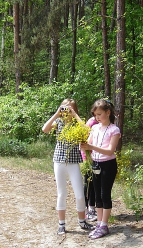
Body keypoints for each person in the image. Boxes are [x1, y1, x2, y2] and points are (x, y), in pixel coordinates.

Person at [42, 99, 94, 235]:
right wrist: (56, 114)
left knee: (80, 194)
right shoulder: (58, 122)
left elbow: (87, 131)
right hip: (59, 161)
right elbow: (45, 129)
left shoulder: (77, 124)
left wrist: (75, 115)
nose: (67, 111)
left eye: (70, 108)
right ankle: (61, 224)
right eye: (65, 108)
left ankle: (82, 221)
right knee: (61, 193)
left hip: (73, 162)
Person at [80, 99, 121, 240]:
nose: (97, 117)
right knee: (96, 195)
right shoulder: (95, 128)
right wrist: (82, 142)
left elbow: (110, 151)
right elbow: (89, 142)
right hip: (95, 164)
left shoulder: (114, 130)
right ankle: (99, 224)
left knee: (105, 195)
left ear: (108, 113)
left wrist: (91, 148)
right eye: (95, 115)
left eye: (99, 114)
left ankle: (104, 225)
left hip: (108, 165)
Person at [82, 116, 98, 222]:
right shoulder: (92, 122)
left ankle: (91, 207)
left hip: (97, 156)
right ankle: (85, 209)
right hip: (88, 157)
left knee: (93, 183)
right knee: (87, 183)